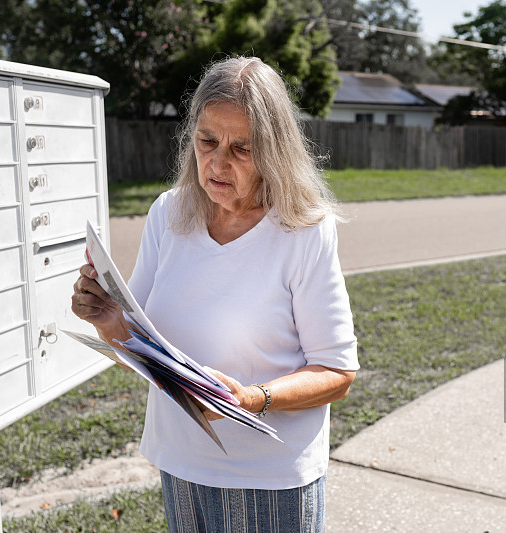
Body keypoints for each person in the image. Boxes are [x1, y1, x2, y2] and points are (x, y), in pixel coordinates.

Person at [70, 56, 358, 533]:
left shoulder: (303, 231)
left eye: (241, 148)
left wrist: (251, 398)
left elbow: (337, 372)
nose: (218, 163)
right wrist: (107, 322)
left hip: (271, 478)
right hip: (182, 463)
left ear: (273, 151)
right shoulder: (169, 213)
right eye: (207, 141)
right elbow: (141, 347)